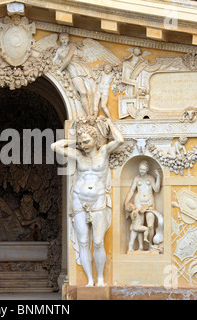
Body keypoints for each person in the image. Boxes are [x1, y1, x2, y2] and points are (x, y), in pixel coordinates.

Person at [51, 117, 124, 286]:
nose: (83, 145)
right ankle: (90, 281)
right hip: (79, 199)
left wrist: (110, 125)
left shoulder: (104, 152)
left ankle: (100, 279)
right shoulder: (77, 154)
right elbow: (55, 146)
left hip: (98, 200)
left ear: (95, 139)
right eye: (82, 142)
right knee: (83, 242)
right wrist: (75, 140)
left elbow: (120, 140)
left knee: (98, 242)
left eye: (86, 141)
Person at [53, 33, 95, 116]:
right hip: (72, 71)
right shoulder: (59, 50)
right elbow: (53, 61)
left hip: (82, 68)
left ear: (69, 39)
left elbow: (68, 58)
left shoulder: (72, 45)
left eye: (65, 39)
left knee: (90, 92)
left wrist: (60, 70)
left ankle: (90, 114)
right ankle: (88, 115)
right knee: (83, 92)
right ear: (59, 40)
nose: (64, 41)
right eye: (62, 39)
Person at [124, 160, 161, 250]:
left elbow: (156, 189)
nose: (142, 171)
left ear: (147, 169)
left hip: (149, 203)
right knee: (139, 225)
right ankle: (140, 246)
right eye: (140, 169)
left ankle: (150, 246)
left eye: (144, 169)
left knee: (150, 225)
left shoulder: (151, 178)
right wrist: (126, 202)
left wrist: (158, 177)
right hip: (138, 202)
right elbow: (132, 191)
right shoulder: (137, 179)